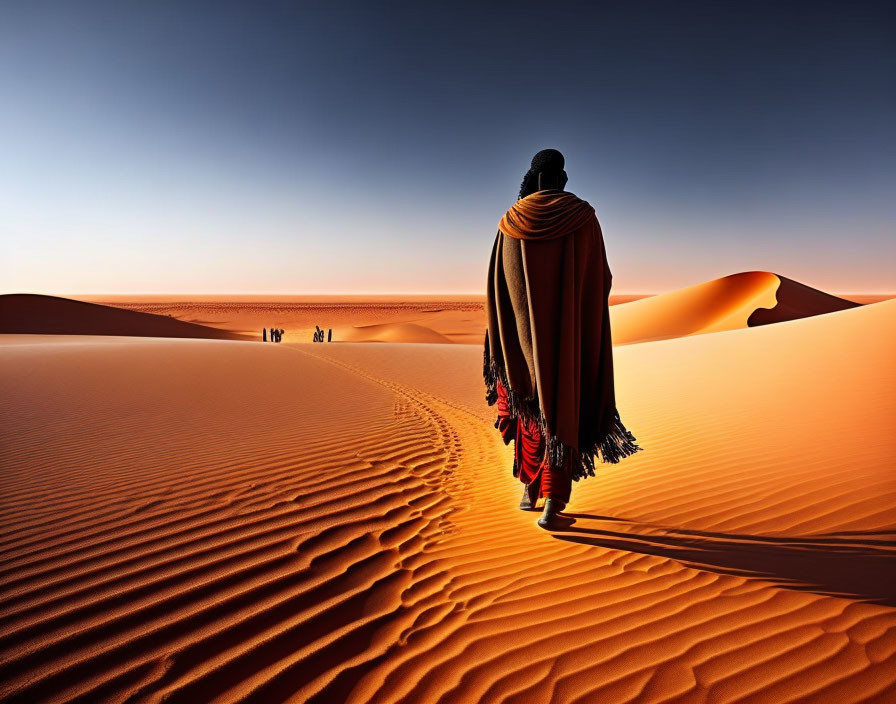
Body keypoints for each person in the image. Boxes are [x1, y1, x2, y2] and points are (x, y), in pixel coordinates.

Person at [484, 149, 642, 529]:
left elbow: (497, 286)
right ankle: (553, 504)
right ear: (561, 178)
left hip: (520, 343)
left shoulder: (510, 221)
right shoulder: (582, 217)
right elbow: (600, 277)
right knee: (562, 407)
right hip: (568, 338)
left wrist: (508, 335)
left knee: (530, 406)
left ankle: (528, 492)